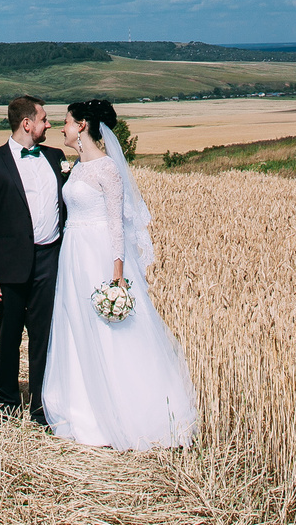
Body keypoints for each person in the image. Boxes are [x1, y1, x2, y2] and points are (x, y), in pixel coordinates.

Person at [39, 98, 197, 450]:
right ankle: (83, 410)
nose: (60, 128)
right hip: (73, 252)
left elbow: (116, 223)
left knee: (106, 328)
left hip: (97, 253)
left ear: (81, 125)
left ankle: (126, 412)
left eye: (65, 122)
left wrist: (118, 270)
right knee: (75, 324)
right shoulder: (77, 166)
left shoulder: (107, 169)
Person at [0, 93, 66, 422]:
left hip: (50, 260)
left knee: (44, 336)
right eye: (44, 119)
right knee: (8, 335)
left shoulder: (56, 157)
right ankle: (5, 403)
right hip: (9, 266)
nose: (48, 123)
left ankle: (42, 408)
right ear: (27, 124)